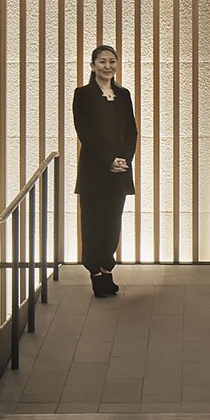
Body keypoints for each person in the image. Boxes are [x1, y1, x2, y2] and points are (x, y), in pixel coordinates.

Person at [72, 43, 138, 298]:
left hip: (120, 171)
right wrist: (108, 159)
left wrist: (125, 159)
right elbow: (85, 133)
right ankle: (96, 273)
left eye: (112, 61)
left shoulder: (123, 95)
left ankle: (106, 268)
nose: (108, 66)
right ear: (92, 66)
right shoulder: (83, 95)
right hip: (95, 170)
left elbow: (131, 130)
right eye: (102, 61)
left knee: (112, 222)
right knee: (93, 222)